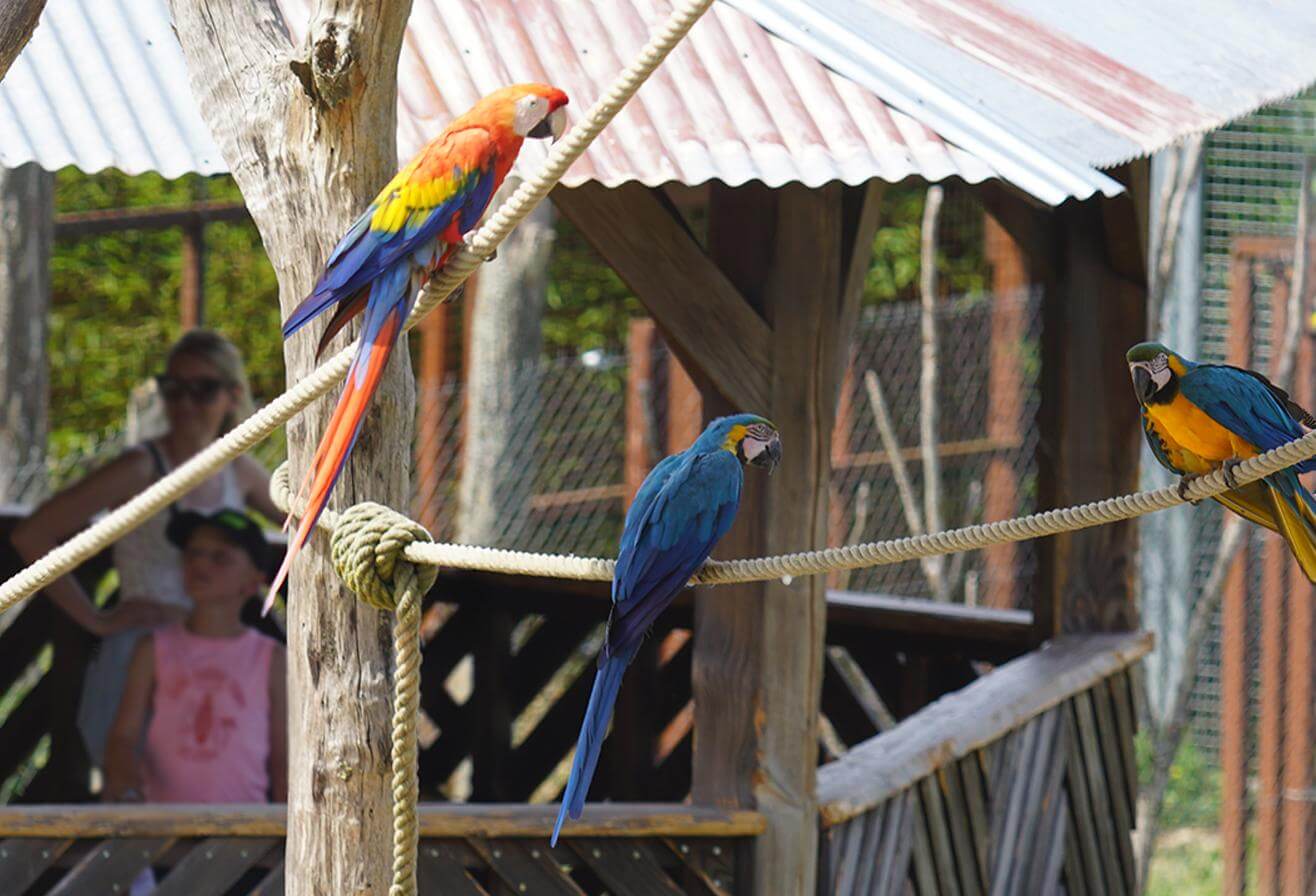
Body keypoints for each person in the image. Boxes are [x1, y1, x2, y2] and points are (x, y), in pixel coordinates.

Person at [10, 329, 280, 766]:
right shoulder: (141, 467)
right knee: (137, 801)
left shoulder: (240, 471)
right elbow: (32, 535)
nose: (187, 403)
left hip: (215, 662)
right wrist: (96, 620)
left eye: (203, 389)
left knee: (216, 799)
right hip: (144, 659)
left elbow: (310, 529)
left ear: (232, 396)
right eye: (174, 389)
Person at [102, 508, 287, 805]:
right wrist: (124, 783)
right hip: (165, 831)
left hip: (246, 833)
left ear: (253, 583)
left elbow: (283, 758)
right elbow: (123, 736)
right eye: (193, 553)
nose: (200, 563)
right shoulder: (153, 648)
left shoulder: (273, 659)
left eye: (220, 557)